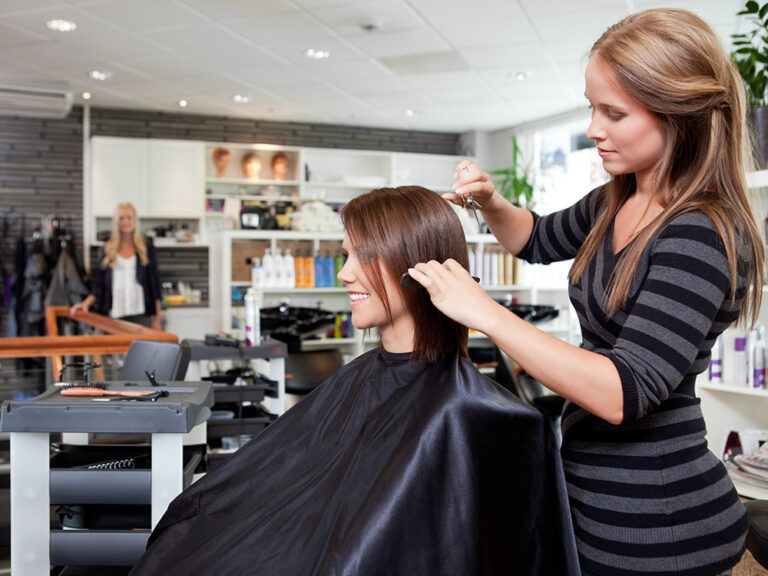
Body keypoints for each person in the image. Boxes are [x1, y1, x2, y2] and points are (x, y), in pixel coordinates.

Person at [407, 8, 765, 576]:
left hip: (659, 527)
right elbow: (534, 238)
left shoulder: (701, 233)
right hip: (594, 502)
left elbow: (624, 391)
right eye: (592, 107)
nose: (594, 128)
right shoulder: (616, 200)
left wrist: (486, 314)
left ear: (681, 116)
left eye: (614, 113)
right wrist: (492, 202)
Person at [128, 186, 579, 576]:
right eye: (346, 254)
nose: (345, 273)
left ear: (415, 265)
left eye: (364, 255)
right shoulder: (363, 381)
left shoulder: (468, 414)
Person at [70, 202, 163, 330]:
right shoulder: (107, 249)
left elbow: (155, 286)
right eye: (121, 218)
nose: (125, 222)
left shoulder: (146, 248)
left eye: (129, 218)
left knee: (141, 350)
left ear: (135, 220)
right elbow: (99, 286)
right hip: (114, 315)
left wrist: (157, 319)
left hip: (142, 315)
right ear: (116, 222)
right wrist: (85, 304)